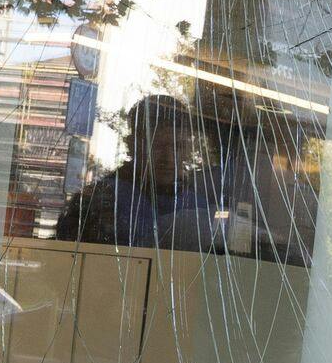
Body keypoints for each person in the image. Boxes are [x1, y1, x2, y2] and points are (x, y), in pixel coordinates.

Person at [55, 92, 217, 249]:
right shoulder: (101, 200)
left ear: (189, 149)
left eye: (178, 146)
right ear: (133, 145)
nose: (169, 158)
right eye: (157, 146)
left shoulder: (198, 206)